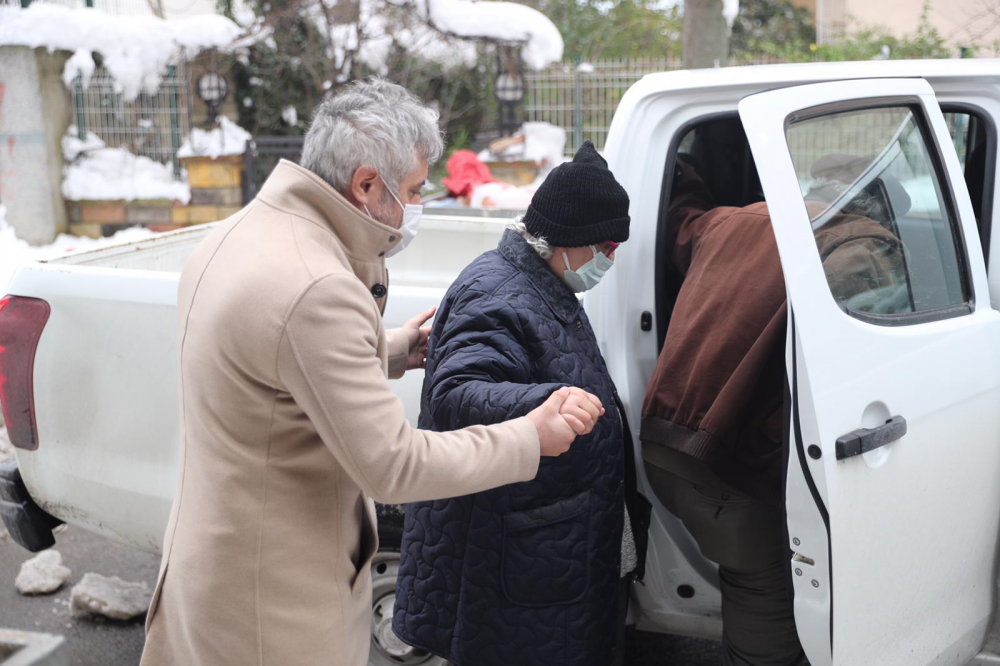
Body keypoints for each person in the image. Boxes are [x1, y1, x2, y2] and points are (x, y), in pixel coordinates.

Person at [139, 80, 605, 666]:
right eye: (411, 190)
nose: (417, 205)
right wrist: (528, 437)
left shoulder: (241, 233)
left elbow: (268, 356)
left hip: (213, 562)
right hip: (273, 602)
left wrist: (390, 350)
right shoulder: (320, 286)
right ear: (365, 184)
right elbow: (394, 465)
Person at [640, 153, 908, 666]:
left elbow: (681, 222)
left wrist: (684, 173)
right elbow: (861, 351)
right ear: (876, 206)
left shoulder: (734, 219)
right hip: (730, 470)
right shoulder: (859, 246)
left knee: (756, 583)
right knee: (764, 617)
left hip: (667, 446)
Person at [393, 142, 650, 666]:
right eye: (605, 245)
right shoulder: (499, 294)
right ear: (568, 240)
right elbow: (456, 394)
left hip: (547, 546)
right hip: (520, 555)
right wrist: (545, 400)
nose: (611, 257)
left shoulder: (542, 283)